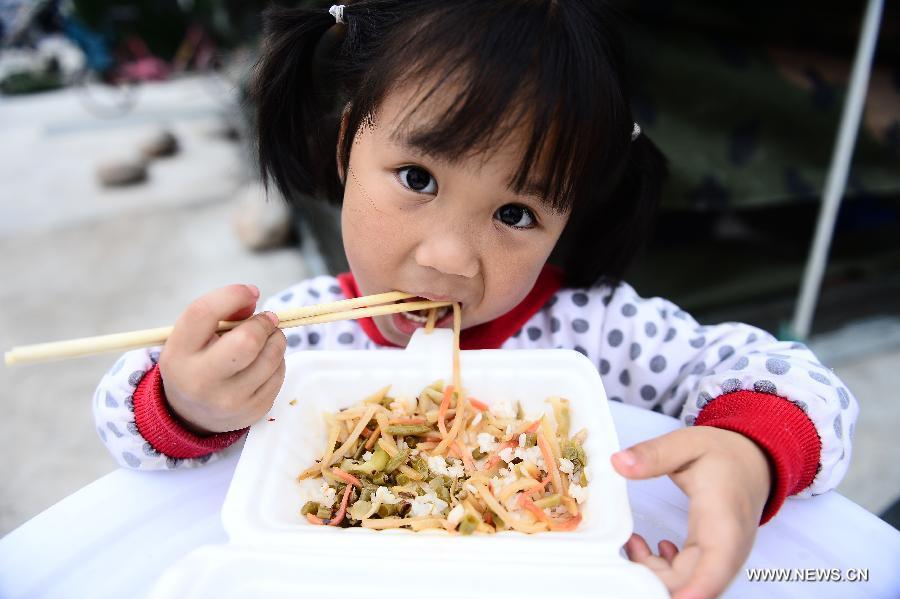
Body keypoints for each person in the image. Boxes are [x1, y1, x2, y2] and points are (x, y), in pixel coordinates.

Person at [92, 2, 858, 597]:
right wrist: (187, 402)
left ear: (567, 225)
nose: (450, 258)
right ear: (346, 144)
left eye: (517, 214)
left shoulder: (596, 330)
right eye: (418, 178)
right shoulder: (301, 340)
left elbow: (801, 382)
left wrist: (751, 450)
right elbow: (124, 430)